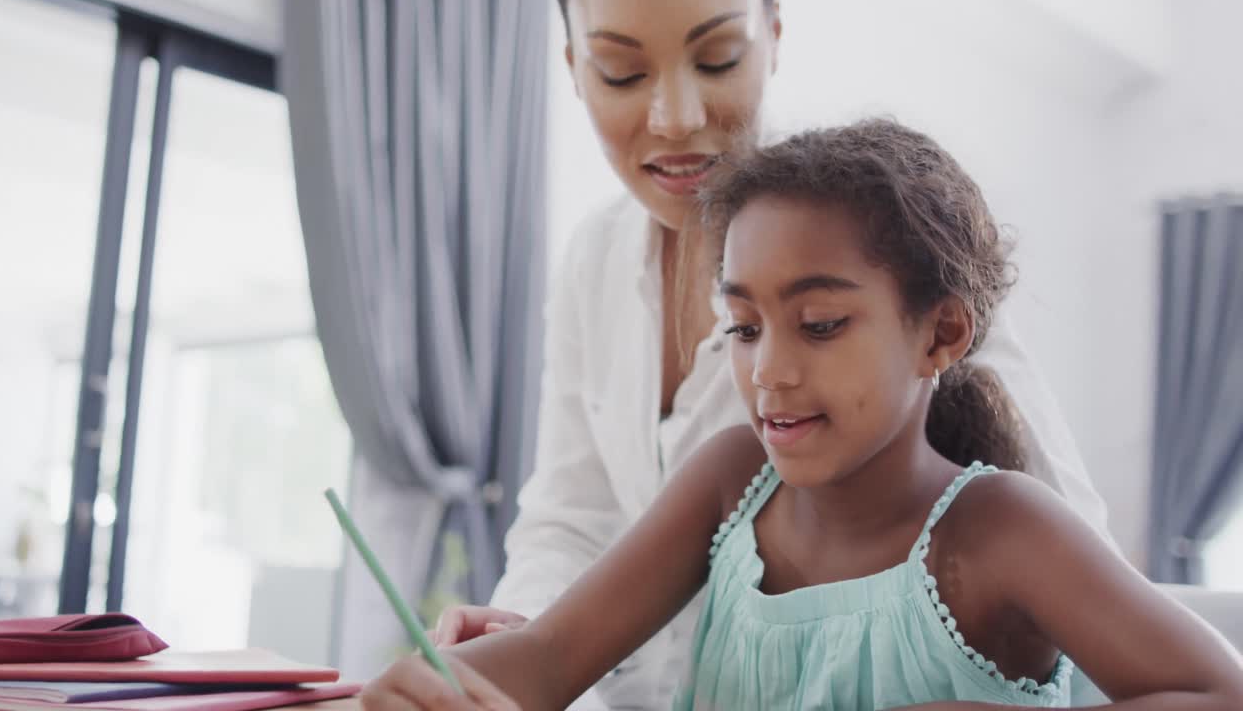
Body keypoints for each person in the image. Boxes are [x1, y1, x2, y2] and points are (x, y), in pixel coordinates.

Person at [360, 119, 1243, 710]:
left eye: (819, 325)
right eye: (742, 326)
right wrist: (429, 689)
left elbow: (1220, 692)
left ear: (940, 333)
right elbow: (552, 656)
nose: (768, 369)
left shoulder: (998, 529)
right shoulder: (728, 482)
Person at [437, 0, 1108, 709]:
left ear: (773, 34)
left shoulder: (885, 255)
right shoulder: (593, 261)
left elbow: (1074, 582)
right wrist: (534, 634)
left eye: (717, 58)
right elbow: (568, 519)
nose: (676, 118)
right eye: (622, 73)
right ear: (574, 68)